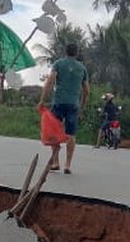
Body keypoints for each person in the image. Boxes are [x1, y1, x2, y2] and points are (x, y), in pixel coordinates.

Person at [36, 43, 89, 174]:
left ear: (65, 51)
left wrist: (42, 100)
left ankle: (55, 162)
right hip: (73, 105)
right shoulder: (82, 68)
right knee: (71, 134)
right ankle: (68, 165)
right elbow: (87, 91)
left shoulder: (58, 64)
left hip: (58, 103)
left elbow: (50, 82)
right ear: (76, 53)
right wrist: (82, 107)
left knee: (54, 132)